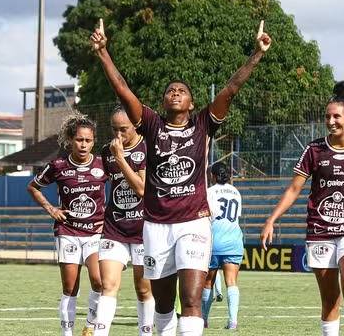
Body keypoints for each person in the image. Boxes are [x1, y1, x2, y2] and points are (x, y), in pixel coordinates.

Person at [92, 18, 271, 335]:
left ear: (191, 103)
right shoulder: (151, 123)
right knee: (162, 306)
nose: (175, 92)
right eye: (170, 90)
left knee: (190, 300)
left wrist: (256, 54)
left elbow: (231, 88)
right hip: (156, 226)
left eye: (182, 91)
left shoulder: (203, 124)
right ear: (163, 102)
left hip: (193, 223)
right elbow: (122, 89)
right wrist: (104, 52)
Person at [260, 81, 344, 336]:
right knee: (330, 299)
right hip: (319, 231)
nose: (331, 121)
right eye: (327, 116)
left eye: (336, 116)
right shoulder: (314, 150)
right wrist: (271, 219)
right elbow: (293, 189)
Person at [27, 112, 107, 336]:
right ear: (71, 140)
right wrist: (51, 209)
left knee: (99, 281)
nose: (83, 144)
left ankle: (90, 326)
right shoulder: (58, 166)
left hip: (95, 232)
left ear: (94, 141)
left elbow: (122, 186)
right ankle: (67, 333)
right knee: (70, 288)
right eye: (79, 140)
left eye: (88, 140)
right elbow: (33, 187)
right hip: (68, 232)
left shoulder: (103, 165)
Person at [93, 106, 154, 335]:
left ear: (135, 126)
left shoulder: (147, 147)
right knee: (107, 285)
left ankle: (145, 332)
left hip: (143, 229)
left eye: (124, 130)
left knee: (143, 289)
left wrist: (120, 158)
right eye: (114, 130)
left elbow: (141, 189)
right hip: (114, 228)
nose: (118, 136)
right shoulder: (107, 151)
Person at [201, 163, 243, 330]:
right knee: (231, 282)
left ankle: (203, 319)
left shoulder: (209, 192)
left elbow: (207, 215)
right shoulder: (236, 192)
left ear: (214, 175)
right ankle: (232, 321)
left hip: (214, 241)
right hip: (233, 241)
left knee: (208, 282)